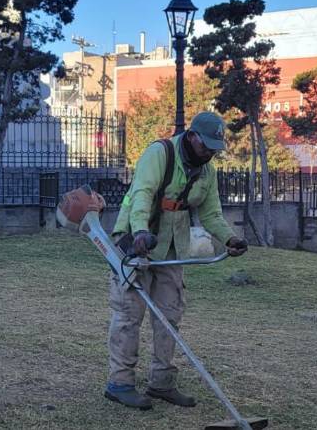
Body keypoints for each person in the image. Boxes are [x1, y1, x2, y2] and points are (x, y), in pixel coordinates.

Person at [105, 112, 248, 411]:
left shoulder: (207, 172)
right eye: (206, 145)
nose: (209, 152)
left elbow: (211, 214)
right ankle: (120, 383)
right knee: (129, 313)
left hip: (172, 247)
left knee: (169, 314)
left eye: (214, 148)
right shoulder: (160, 153)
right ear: (192, 136)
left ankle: (161, 382)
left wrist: (229, 238)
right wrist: (141, 232)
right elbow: (142, 194)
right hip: (136, 241)